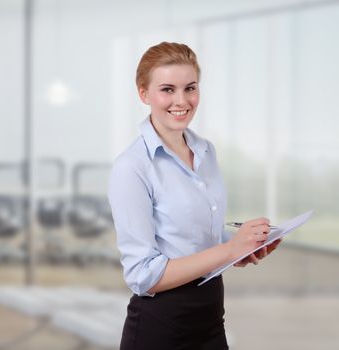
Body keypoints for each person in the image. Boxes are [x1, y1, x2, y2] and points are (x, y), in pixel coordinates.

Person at [108, 42, 281, 350]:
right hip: (160, 330)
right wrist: (229, 252)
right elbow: (143, 274)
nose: (181, 100)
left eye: (190, 88)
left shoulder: (205, 151)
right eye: (167, 89)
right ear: (144, 94)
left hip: (211, 321)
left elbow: (197, 243)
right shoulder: (132, 167)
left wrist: (241, 247)